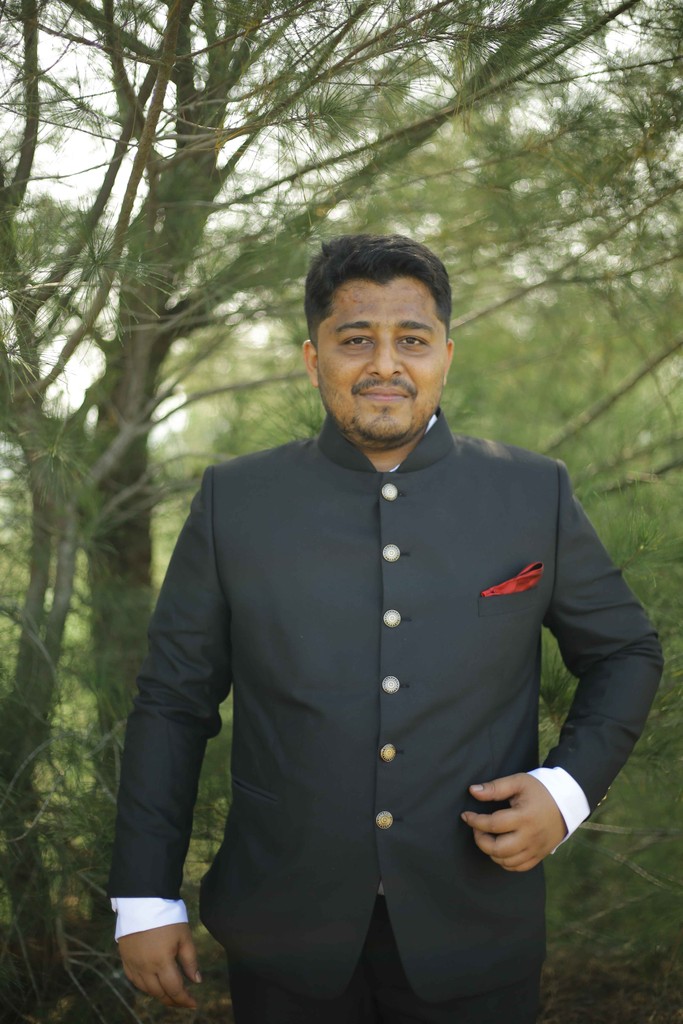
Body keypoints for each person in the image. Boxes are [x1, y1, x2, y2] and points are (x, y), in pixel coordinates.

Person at [108, 234, 663, 1023]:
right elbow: (171, 703)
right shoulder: (236, 500)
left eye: (411, 340)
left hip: (476, 927)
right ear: (312, 358)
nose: (384, 364)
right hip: (283, 929)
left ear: (445, 354)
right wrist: (143, 896)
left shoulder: (531, 492)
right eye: (354, 340)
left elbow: (624, 652)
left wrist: (564, 790)